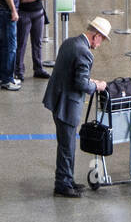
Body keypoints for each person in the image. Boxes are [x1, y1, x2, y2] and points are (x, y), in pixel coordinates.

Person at [42, 17, 109, 197]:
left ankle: (67, 179)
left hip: (57, 99)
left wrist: (90, 81)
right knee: (67, 146)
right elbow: (81, 84)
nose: (100, 44)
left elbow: (70, 74)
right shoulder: (85, 52)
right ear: (96, 35)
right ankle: (62, 184)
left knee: (67, 144)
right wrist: (97, 86)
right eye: (102, 39)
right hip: (68, 105)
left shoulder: (70, 43)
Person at [15, 0, 51, 81]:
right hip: (24, 15)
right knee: (22, 43)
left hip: (38, 15)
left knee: (37, 43)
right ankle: (19, 70)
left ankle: (38, 68)